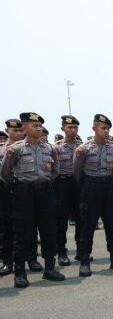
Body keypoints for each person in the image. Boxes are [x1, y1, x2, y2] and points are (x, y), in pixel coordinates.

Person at [0, 112, 65, 287]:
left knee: (48, 230)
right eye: (34, 125)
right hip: (24, 194)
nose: (39, 128)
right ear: (24, 128)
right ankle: (20, 272)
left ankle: (50, 268)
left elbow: (55, 171)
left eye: (40, 126)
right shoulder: (16, 149)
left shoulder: (49, 148)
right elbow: (5, 173)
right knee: (23, 232)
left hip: (45, 193)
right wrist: (21, 186)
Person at [73, 114, 113, 276]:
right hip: (90, 187)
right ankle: (84, 261)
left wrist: (108, 182)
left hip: (108, 187)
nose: (106, 131)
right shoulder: (83, 149)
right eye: (103, 128)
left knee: (111, 223)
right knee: (87, 226)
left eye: (108, 128)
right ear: (94, 128)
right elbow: (76, 172)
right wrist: (88, 185)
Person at [53, 115, 82, 266]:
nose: (73, 130)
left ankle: (81, 250)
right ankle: (62, 252)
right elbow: (52, 169)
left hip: (78, 184)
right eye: (70, 127)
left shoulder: (83, 146)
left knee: (81, 219)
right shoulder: (56, 147)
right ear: (62, 129)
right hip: (62, 184)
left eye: (75, 127)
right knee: (61, 220)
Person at [0, 119, 24, 277]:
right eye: (13, 130)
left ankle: (29, 259)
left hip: (24, 190)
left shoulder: (26, 148)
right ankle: (7, 262)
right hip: (5, 191)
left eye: (19, 130)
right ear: (7, 131)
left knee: (26, 227)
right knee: (6, 228)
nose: (17, 133)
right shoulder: (2, 150)